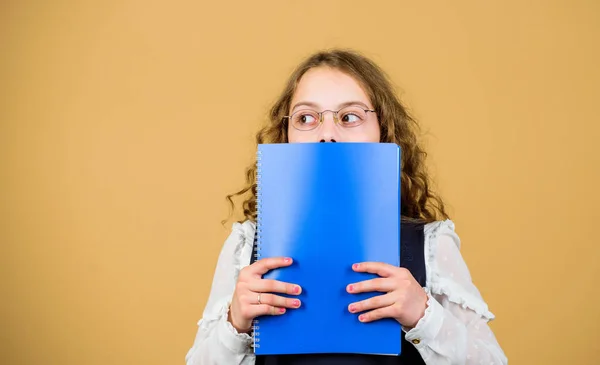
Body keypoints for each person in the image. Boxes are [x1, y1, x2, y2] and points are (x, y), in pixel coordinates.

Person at [185, 49, 508, 365]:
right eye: (306, 118)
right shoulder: (246, 246)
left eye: (349, 116)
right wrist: (235, 322)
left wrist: (425, 315)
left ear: (384, 131)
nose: (327, 134)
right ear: (286, 135)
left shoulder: (432, 243)